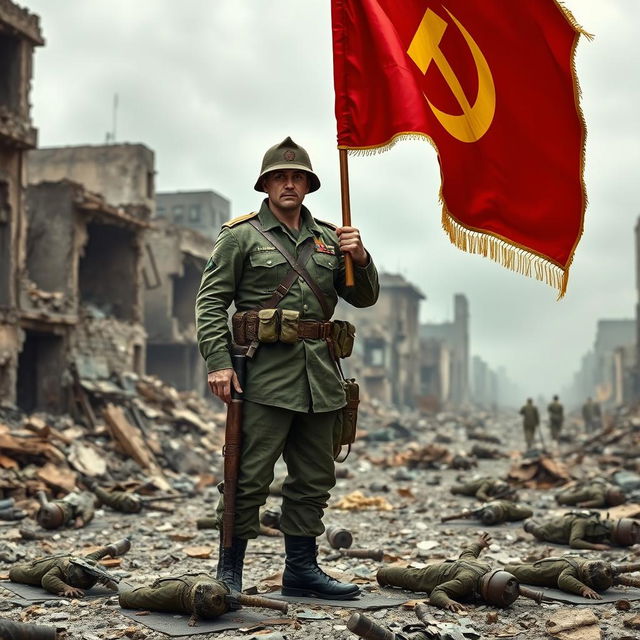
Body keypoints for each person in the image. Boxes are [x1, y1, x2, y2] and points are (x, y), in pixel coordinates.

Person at [196, 136, 379, 600]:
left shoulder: (329, 239)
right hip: (263, 378)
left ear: (309, 185)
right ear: (266, 184)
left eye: (297, 177)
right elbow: (211, 302)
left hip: (321, 377)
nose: (289, 184)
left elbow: (364, 297)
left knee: (314, 478)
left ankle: (301, 569)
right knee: (248, 476)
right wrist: (219, 362)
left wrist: (358, 256)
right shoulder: (240, 236)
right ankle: (229, 570)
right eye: (280, 177)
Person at [376, 533, 541, 611]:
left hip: (458, 565)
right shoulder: (467, 581)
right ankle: (382, 574)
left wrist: (478, 544)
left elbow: (469, 554)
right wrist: (447, 602)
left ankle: (384, 573)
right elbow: (437, 591)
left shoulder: (484, 566)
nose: (509, 588)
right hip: (436, 574)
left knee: (411, 574)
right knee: (412, 578)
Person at [9, 538, 130, 597]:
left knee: (92, 560)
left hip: (72, 558)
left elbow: (94, 557)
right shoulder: (61, 570)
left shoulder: (85, 563)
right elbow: (46, 579)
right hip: (42, 566)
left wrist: (105, 578)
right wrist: (66, 587)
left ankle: (109, 548)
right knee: (15, 573)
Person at [503, 557, 640, 599]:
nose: (608, 570)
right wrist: (583, 588)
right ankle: (508, 566)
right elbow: (562, 580)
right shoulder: (572, 570)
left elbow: (619, 573)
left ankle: (515, 563)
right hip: (547, 569)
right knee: (514, 571)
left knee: (622, 578)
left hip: (557, 562)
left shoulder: (594, 567)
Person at [523, 514, 640, 549]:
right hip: (554, 530)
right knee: (539, 532)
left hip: (564, 523)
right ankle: (529, 523)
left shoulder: (600, 527)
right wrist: (595, 546)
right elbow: (574, 542)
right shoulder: (581, 523)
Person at [555, 478, 625, 509]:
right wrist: (583, 505)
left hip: (588, 489)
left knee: (574, 494)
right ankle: (559, 498)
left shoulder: (601, 488)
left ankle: (561, 496)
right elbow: (599, 502)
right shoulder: (599, 495)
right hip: (586, 493)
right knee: (570, 498)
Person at [450, 475, 516, 502]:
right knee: (457, 489)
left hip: (482, 484)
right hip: (471, 488)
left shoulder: (502, 484)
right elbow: (479, 494)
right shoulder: (488, 484)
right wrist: (487, 498)